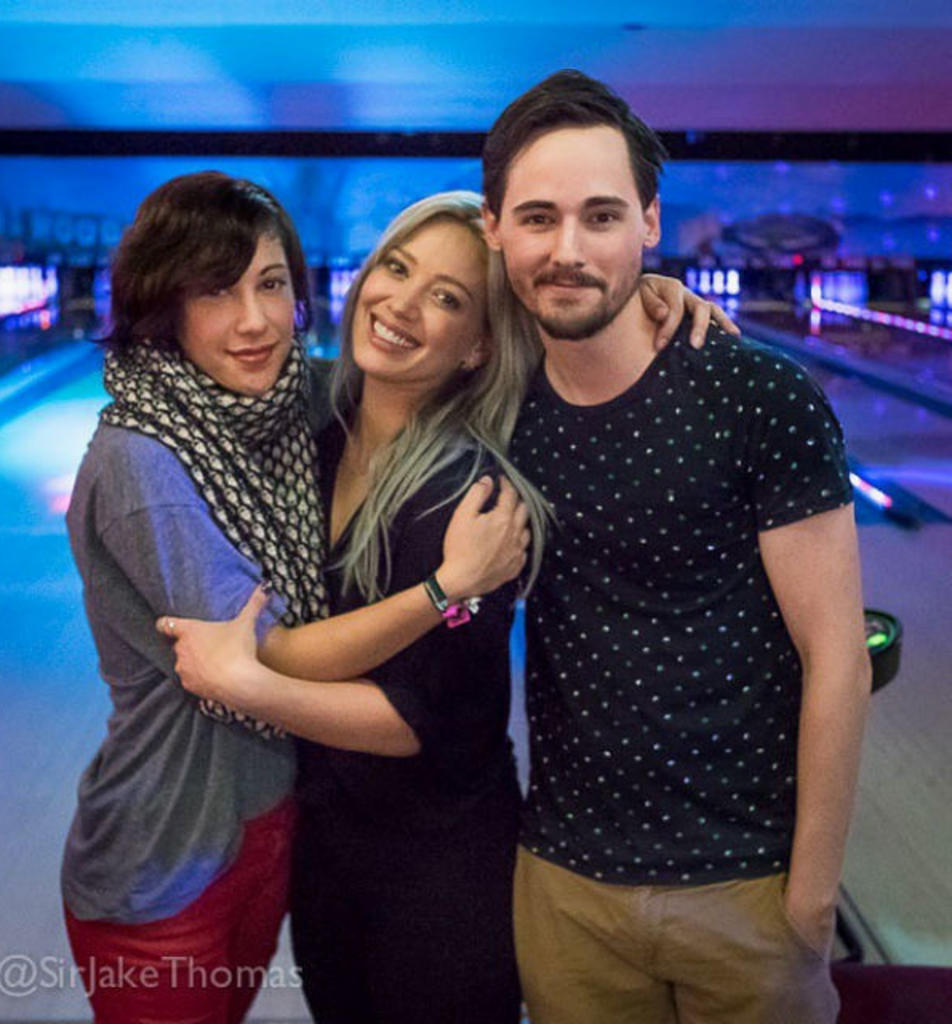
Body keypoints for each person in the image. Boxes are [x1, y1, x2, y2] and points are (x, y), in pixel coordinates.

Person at [159, 190, 736, 1023]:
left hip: (440, 881)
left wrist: (249, 681)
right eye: (396, 269)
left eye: (447, 298)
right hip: (328, 853)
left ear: (478, 347)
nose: (401, 304)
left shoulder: (469, 497)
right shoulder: (318, 433)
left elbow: (414, 722)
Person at [61, 172, 530, 1024]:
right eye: (216, 289)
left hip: (420, 866)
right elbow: (260, 652)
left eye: (271, 285)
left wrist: (651, 299)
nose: (254, 322)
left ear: (478, 345)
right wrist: (442, 590)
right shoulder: (266, 432)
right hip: (212, 845)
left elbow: (419, 720)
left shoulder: (445, 487)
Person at [480, 70, 873, 1024]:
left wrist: (812, 895)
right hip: (564, 882)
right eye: (537, 218)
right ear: (494, 229)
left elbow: (838, 652)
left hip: (746, 884)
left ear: (650, 222)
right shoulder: (493, 406)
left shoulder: (758, 397)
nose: (568, 249)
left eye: (601, 216)